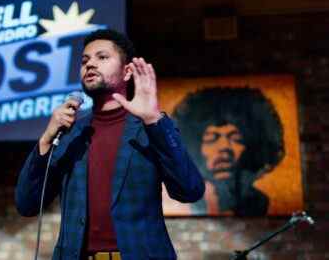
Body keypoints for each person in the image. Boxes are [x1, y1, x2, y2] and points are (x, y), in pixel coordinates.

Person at [15, 29, 205, 260]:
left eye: (102, 57)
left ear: (127, 73)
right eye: (85, 60)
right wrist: (46, 139)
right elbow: (27, 204)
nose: (90, 65)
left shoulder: (150, 128)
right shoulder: (71, 132)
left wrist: (153, 120)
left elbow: (190, 191)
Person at [171, 87, 285, 216]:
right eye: (212, 139)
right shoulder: (181, 203)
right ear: (194, 147)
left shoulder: (259, 204)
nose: (225, 147)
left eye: (236, 138)